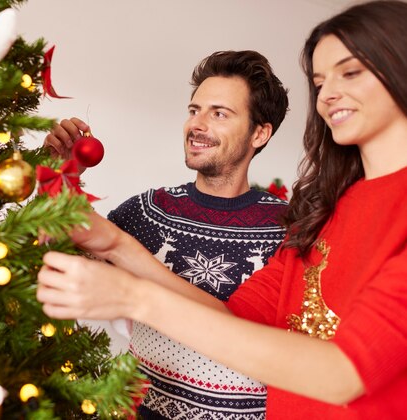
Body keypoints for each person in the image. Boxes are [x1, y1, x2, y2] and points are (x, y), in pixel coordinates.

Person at [36, 1, 407, 418]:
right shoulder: (322, 214)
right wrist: (116, 243)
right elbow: (233, 317)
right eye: (320, 81)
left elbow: (343, 375)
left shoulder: (291, 220)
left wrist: (135, 297)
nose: (328, 94)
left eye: (350, 71)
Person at [44, 51, 289, 419]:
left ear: (260, 132)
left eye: (219, 113)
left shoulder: (286, 231)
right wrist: (57, 180)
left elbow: (267, 341)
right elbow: (59, 263)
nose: (197, 124)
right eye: (194, 110)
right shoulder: (147, 211)